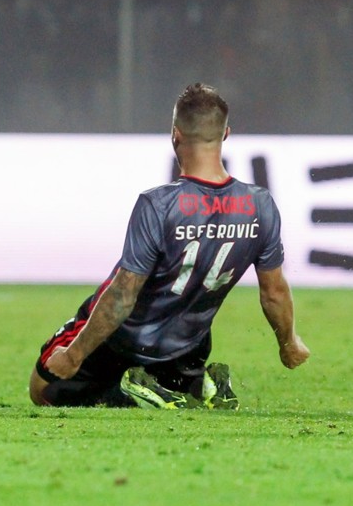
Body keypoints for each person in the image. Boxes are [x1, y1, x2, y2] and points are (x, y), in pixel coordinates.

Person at [30, 83, 310, 410]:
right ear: (226, 134)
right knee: (180, 356)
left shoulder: (158, 204)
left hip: (125, 342)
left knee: (42, 390)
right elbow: (274, 291)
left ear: (175, 134)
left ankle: (137, 394)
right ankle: (198, 385)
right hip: (188, 347)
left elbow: (124, 293)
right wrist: (288, 343)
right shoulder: (260, 205)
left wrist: (74, 354)